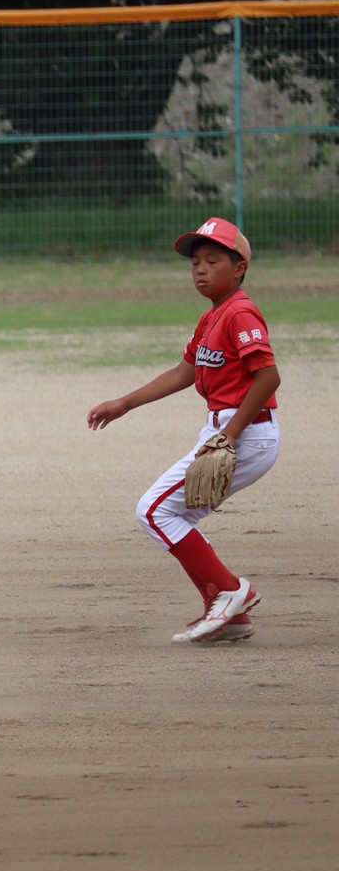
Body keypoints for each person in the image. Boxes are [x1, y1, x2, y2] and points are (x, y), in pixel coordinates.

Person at [87, 216, 281, 644]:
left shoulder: (240, 312)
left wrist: (230, 435)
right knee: (175, 517)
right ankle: (228, 614)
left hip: (245, 434)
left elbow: (268, 378)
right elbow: (184, 373)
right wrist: (124, 403)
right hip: (228, 433)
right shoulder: (212, 318)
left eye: (212, 260)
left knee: (154, 511)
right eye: (195, 263)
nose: (200, 269)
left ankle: (230, 591)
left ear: (240, 268)